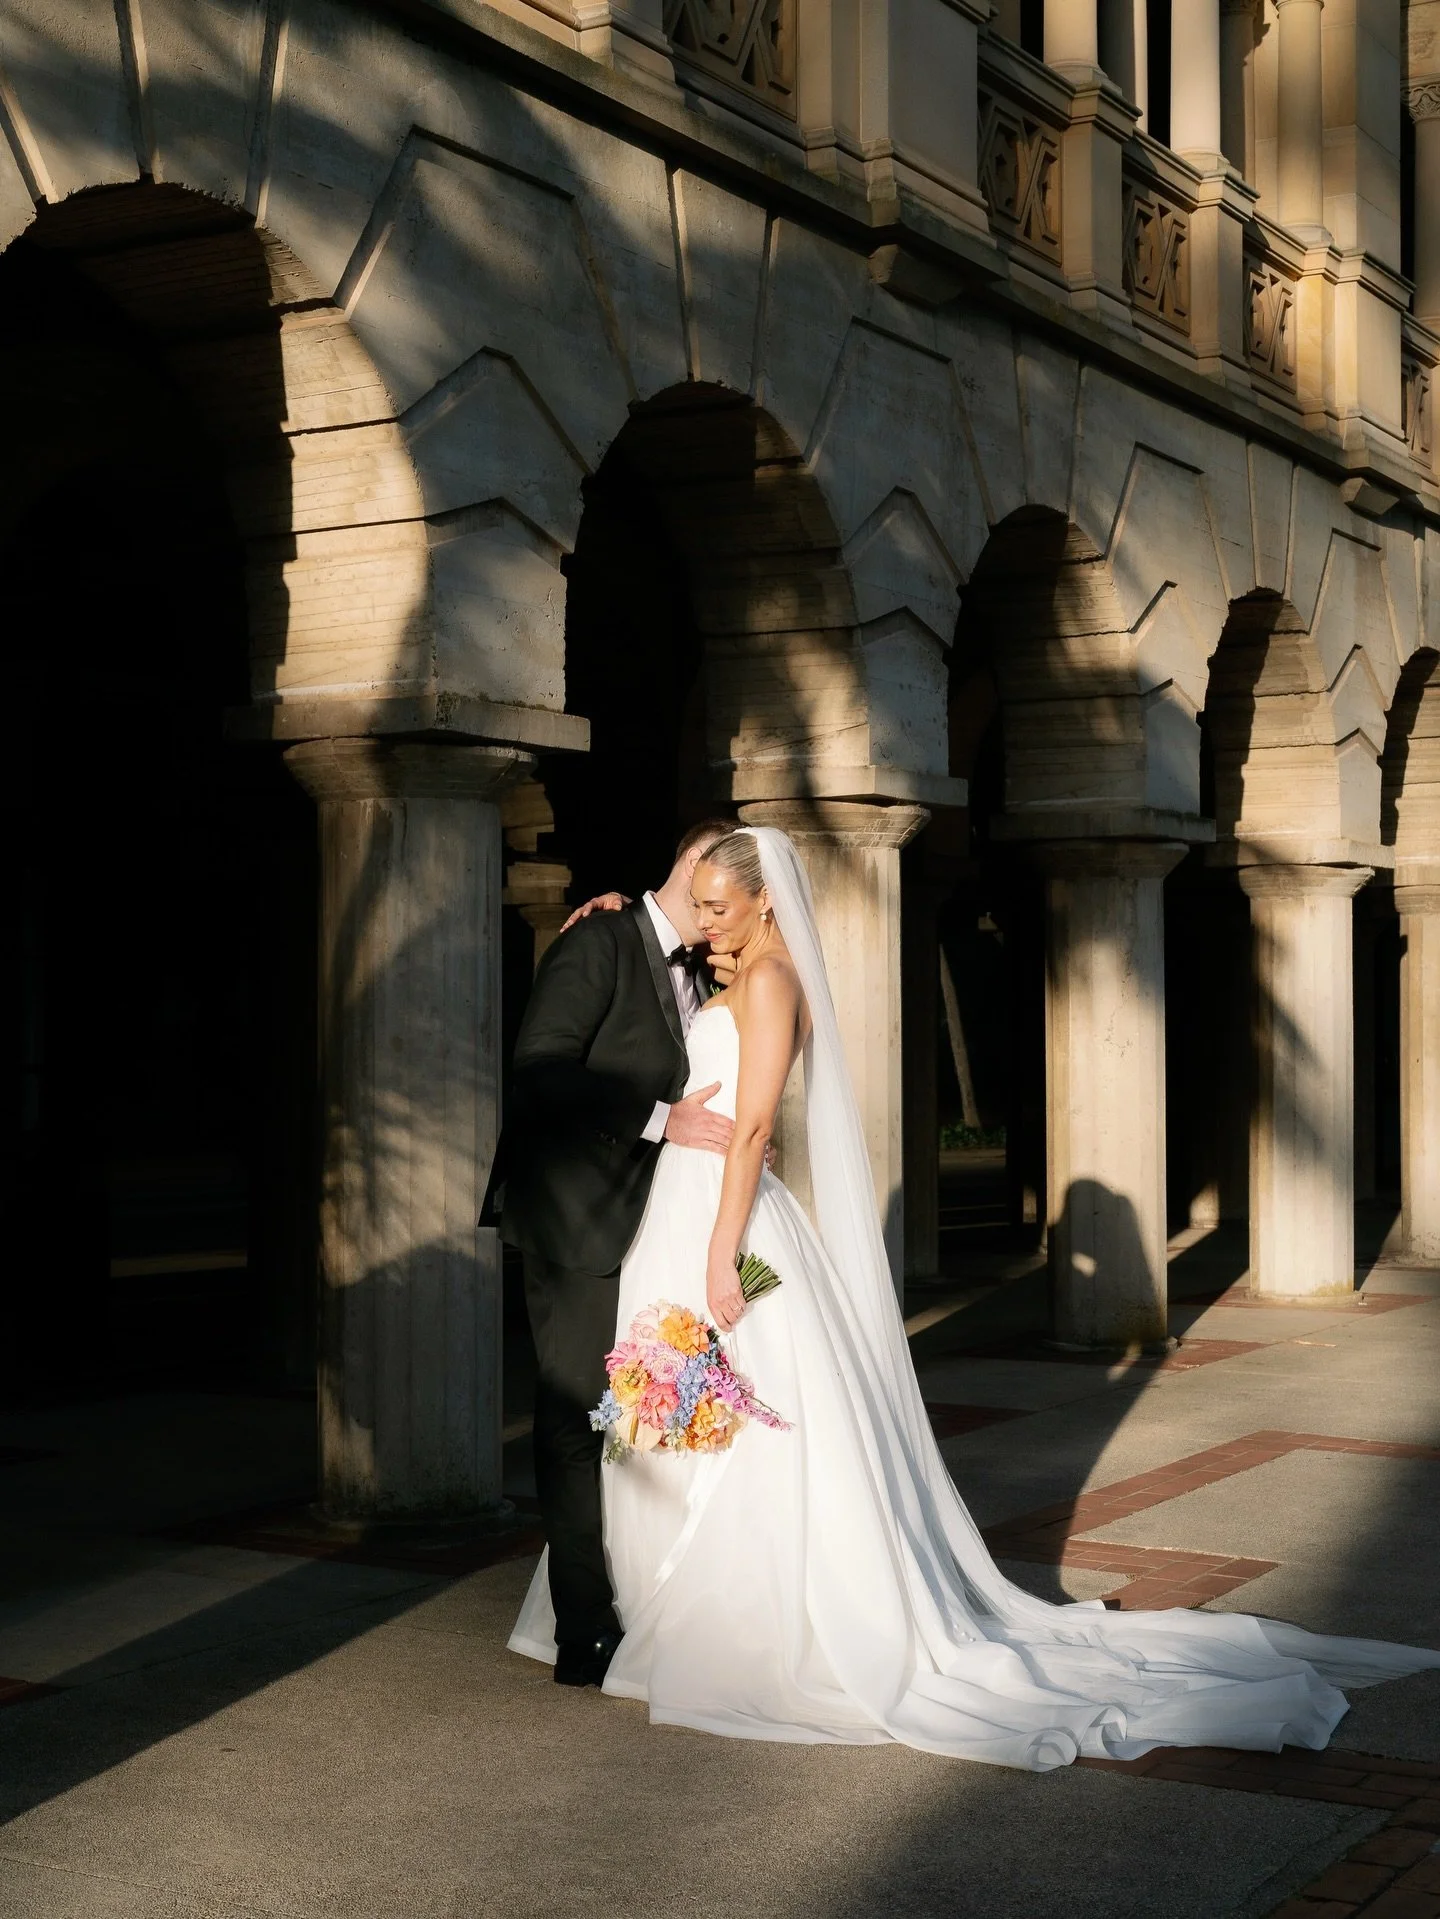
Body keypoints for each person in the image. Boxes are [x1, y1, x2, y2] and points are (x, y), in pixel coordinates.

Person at [510, 825, 1440, 1768]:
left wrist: (721, 1254)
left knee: (742, 1410)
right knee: (663, 1406)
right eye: (698, 902)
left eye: (719, 905)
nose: (703, 920)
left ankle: (738, 1618)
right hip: (672, 1206)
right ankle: (640, 1598)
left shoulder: (771, 980)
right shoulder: (727, 969)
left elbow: (750, 1130)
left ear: (766, 901)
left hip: (720, 1216)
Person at [486, 819, 735, 1687]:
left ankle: (652, 1592)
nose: (728, 908)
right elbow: (540, 1065)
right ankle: (583, 1631)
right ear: (693, 864)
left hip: (654, 1221)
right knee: (574, 1419)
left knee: (644, 1411)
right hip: (575, 1215)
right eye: (722, 887)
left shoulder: (706, 964)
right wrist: (665, 1120)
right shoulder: (600, 939)